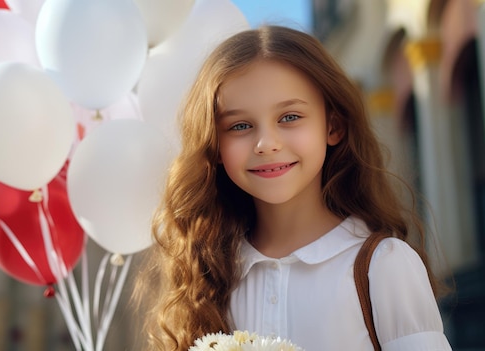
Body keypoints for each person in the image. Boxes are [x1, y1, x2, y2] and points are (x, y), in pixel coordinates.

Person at [134, 25, 453, 351]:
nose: (266, 143)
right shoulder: (207, 280)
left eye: (289, 117)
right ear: (215, 145)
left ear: (333, 125)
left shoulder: (384, 266)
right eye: (240, 126)